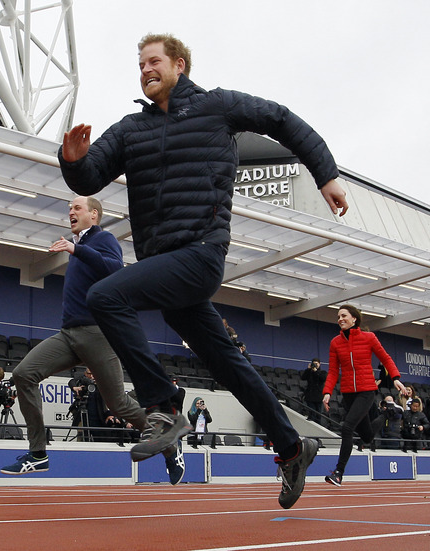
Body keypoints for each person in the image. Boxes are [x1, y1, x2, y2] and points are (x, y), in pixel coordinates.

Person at [58, 32, 341, 509]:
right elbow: (90, 177)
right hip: (165, 265)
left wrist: (325, 173)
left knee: (105, 296)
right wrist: (71, 158)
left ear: (179, 65)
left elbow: (280, 119)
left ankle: (164, 405)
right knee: (229, 364)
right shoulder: (131, 129)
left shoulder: (217, 106)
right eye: (140, 64)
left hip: (201, 253)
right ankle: (293, 446)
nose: (145, 69)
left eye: (153, 61)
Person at [1, 196, 183, 484]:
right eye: (69, 208)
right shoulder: (81, 247)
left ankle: (170, 442)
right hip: (68, 334)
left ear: (94, 215)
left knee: (119, 405)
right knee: (24, 374)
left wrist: (76, 249)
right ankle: (38, 454)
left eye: (77, 208)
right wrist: (77, 249)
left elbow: (115, 270)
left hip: (98, 334)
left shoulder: (103, 239)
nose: (70, 211)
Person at [322, 304, 405, 486]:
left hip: (366, 391)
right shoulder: (335, 342)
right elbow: (334, 371)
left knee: (347, 428)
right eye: (338, 317)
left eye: (344, 315)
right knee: (366, 436)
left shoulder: (369, 338)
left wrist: (396, 378)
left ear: (354, 318)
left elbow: (385, 358)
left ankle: (338, 473)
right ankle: (387, 413)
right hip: (348, 394)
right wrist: (327, 392)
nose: (340, 319)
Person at [300, 359, 326, 424]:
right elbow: (303, 377)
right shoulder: (309, 372)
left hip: (318, 396)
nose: (315, 365)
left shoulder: (322, 372)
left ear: (319, 364)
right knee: (312, 411)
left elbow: (323, 379)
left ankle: (318, 424)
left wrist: (316, 371)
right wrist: (308, 369)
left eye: (316, 364)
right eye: (314, 364)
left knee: (318, 413)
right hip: (310, 395)